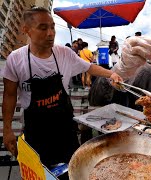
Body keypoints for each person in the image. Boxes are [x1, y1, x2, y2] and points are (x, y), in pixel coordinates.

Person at [2, 7, 122, 175]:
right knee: (40, 173)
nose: (51, 33)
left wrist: (112, 74)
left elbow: (89, 67)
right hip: (36, 130)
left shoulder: (64, 54)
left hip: (65, 128)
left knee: (72, 171)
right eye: (43, 28)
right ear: (27, 30)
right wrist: (7, 130)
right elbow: (9, 95)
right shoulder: (16, 58)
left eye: (52, 27)